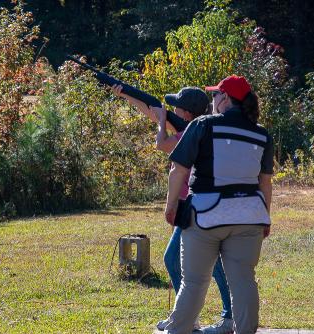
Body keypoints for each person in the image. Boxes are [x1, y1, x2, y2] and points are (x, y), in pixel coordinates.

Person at [111, 84, 234, 333]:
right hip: (193, 206)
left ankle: (217, 317)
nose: (172, 108)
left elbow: (162, 144)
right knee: (186, 262)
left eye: (176, 106)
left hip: (194, 206)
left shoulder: (190, 133)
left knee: (202, 264)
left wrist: (162, 121)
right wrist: (124, 93)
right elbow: (152, 112)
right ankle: (189, 316)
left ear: (186, 113)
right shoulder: (193, 128)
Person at [161, 75, 273, 334]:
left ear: (224, 98)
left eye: (215, 95)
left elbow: (178, 170)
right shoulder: (262, 134)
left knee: (194, 282)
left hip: (204, 215)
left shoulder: (202, 125)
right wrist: (265, 217)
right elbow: (265, 183)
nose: (212, 99)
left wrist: (170, 208)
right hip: (250, 217)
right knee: (244, 281)